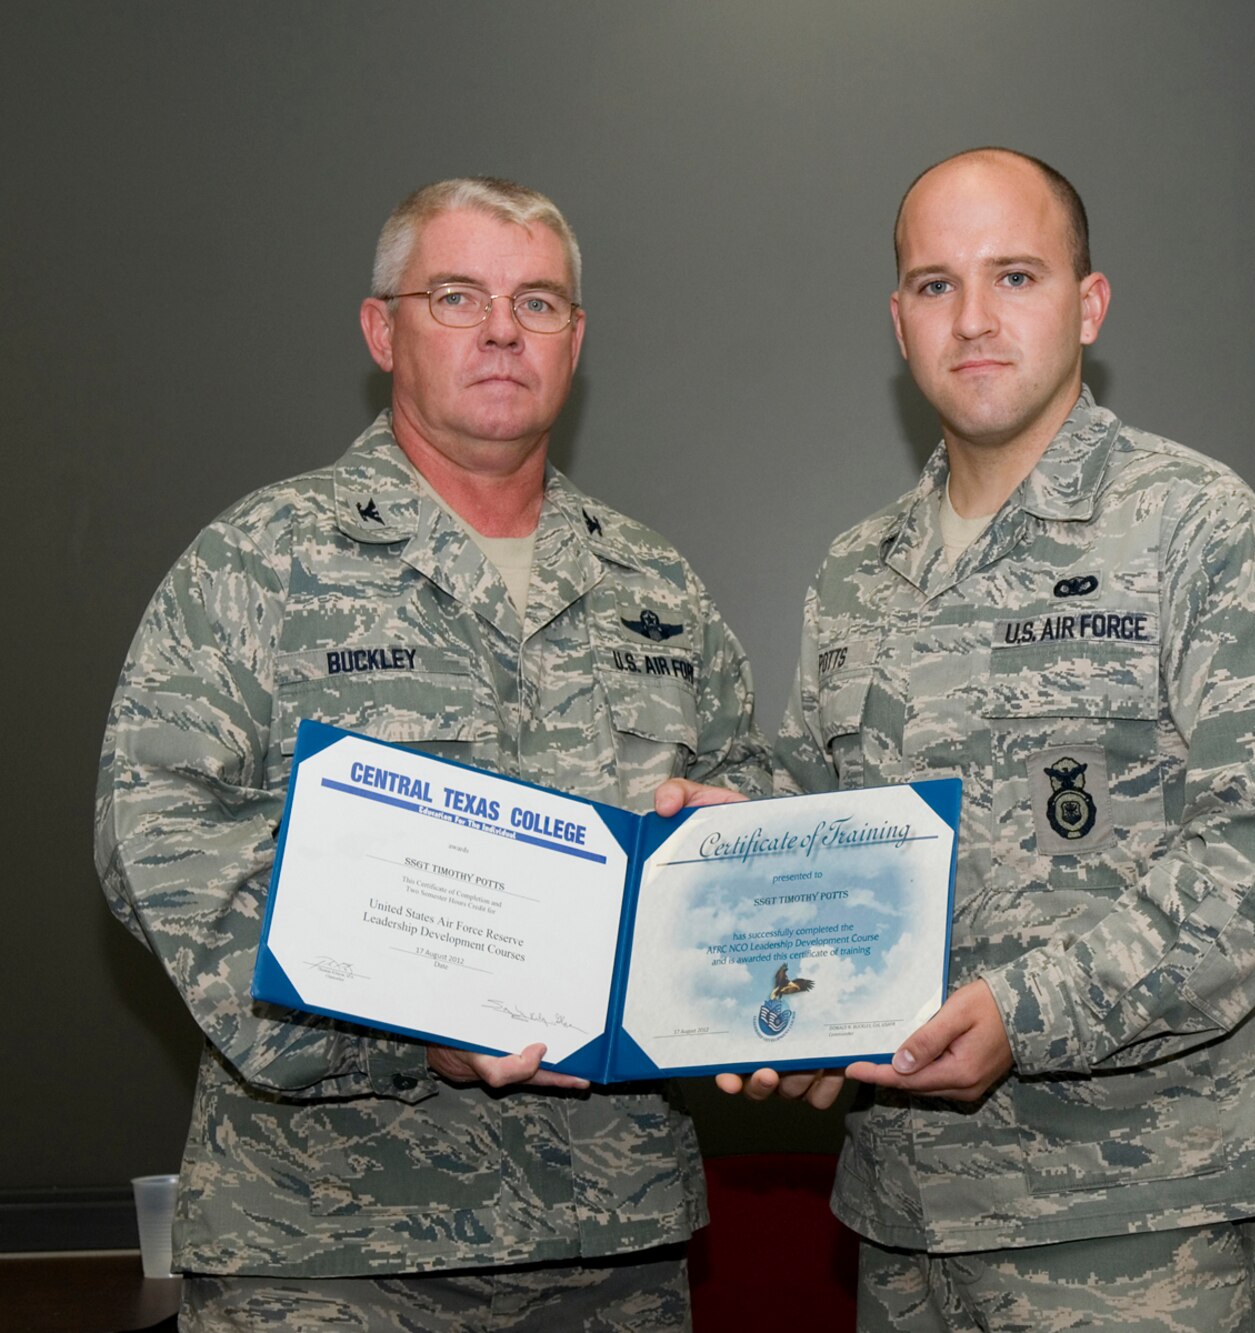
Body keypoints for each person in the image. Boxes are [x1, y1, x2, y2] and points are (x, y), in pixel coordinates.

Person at [95, 176, 768, 1330]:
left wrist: (739, 876)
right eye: (457, 296)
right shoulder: (262, 561)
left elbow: (745, 799)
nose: (503, 329)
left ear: (576, 339)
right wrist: (406, 1033)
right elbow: (151, 838)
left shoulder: (654, 586)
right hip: (329, 1239)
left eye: (538, 302)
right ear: (381, 328)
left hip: (609, 1238)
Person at [728, 147, 1255, 1331]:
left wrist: (1031, 1014)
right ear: (897, 320)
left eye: (1014, 276)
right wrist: (728, 863)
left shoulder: (1193, 525)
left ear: (1088, 303)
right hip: (905, 1220)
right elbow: (821, 818)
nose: (971, 319)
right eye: (934, 285)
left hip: (1131, 1227)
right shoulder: (857, 572)